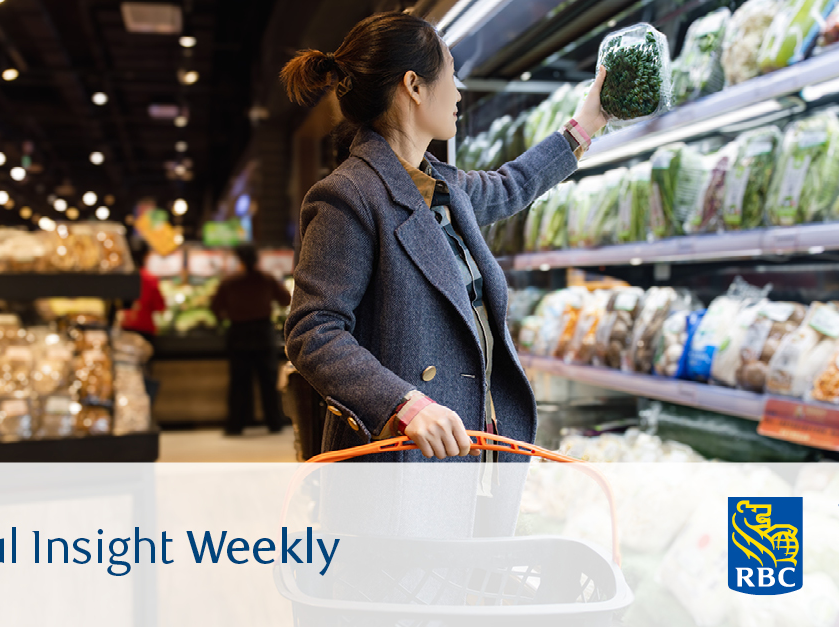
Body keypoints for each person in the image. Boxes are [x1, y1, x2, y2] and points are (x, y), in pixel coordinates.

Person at [281, 12, 609, 462]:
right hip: (402, 459)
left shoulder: (442, 186)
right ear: (414, 86)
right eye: (451, 75)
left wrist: (587, 123)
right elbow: (312, 331)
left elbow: (512, 185)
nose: (458, 92)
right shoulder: (347, 196)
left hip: (477, 442)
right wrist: (404, 404)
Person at [211, 243, 291, 434]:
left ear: (238, 259)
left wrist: (228, 315)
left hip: (238, 334)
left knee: (239, 382)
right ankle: (274, 423)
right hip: (262, 333)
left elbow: (216, 308)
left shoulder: (229, 282)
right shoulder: (266, 279)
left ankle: (235, 425)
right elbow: (286, 299)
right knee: (268, 381)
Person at [121, 245, 166, 343]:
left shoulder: (123, 278)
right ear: (145, 257)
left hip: (125, 326)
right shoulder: (150, 279)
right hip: (145, 328)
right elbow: (160, 307)